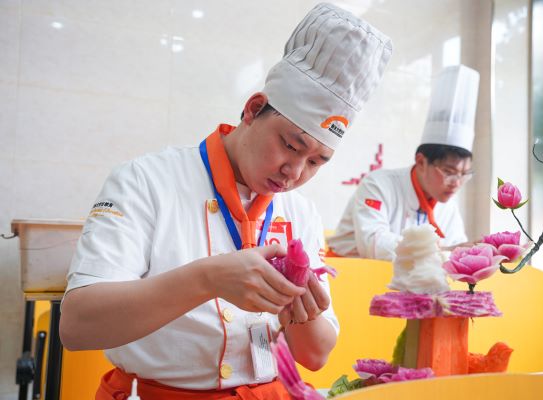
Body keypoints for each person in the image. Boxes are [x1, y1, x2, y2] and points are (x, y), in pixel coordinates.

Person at [59, 3, 392, 399]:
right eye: (290, 145)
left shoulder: (300, 212)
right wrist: (207, 279)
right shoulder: (146, 181)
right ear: (253, 109)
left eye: (316, 161)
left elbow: (315, 356)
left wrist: (303, 312)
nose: (294, 172)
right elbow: (77, 326)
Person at [328, 65, 479, 261]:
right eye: (449, 171)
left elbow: (456, 248)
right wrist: (440, 251)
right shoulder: (378, 184)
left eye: (464, 174)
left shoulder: (447, 205)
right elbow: (372, 244)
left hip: (408, 276)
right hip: (351, 270)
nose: (456, 183)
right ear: (421, 162)